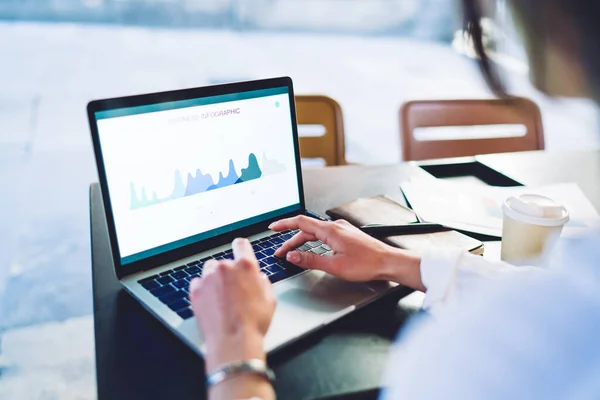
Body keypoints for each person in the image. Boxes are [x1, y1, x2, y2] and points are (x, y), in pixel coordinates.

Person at [188, 0, 600, 398]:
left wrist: (236, 360)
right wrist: (390, 260)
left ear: (556, 20)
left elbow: (540, 305)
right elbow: (531, 289)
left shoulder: (473, 359)